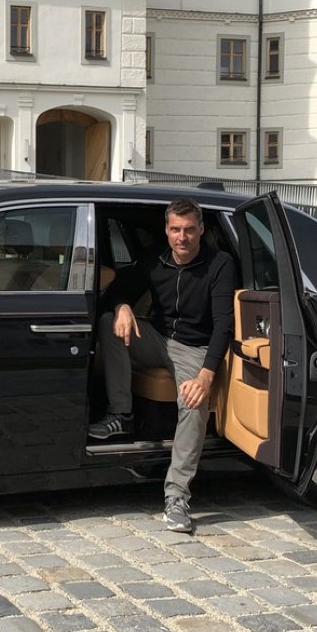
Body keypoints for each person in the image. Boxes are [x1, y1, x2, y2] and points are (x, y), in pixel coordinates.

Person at [89, 198, 235, 533]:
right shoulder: (155, 258)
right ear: (166, 230)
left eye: (188, 230)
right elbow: (119, 290)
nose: (181, 237)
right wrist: (123, 305)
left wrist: (206, 376)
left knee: (194, 404)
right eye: (175, 230)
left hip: (196, 349)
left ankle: (177, 497)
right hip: (158, 338)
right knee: (110, 322)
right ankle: (121, 416)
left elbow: (223, 324)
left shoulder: (220, 264)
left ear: (201, 230)